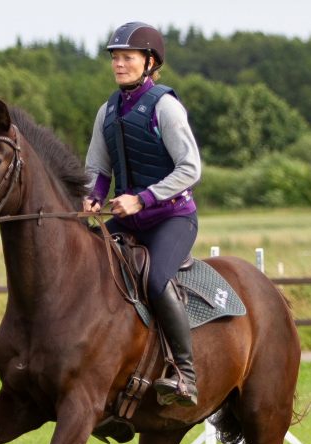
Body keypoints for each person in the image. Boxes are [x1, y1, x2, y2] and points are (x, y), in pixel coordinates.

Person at [83, 21, 202, 407]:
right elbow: (97, 169)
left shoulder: (166, 107)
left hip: (172, 219)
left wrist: (143, 198)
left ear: (150, 61)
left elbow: (190, 168)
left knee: (154, 282)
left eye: (127, 57)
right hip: (129, 220)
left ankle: (185, 373)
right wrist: (92, 197)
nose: (119, 64)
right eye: (115, 57)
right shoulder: (108, 110)